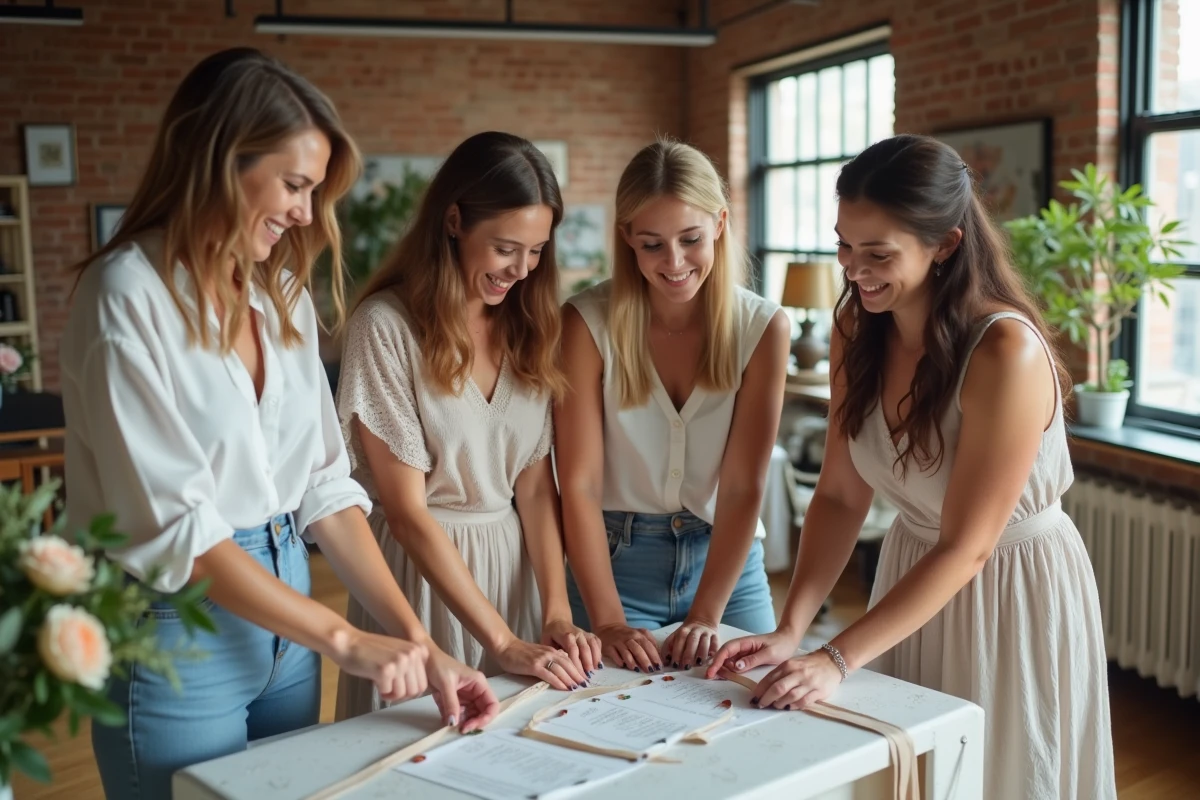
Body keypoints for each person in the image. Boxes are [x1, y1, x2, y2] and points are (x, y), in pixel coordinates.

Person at [61, 48, 497, 800]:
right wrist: (346, 638)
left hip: (288, 613)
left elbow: (325, 488)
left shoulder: (282, 296)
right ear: (223, 160)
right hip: (174, 626)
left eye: (312, 190)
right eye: (295, 184)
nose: (304, 212)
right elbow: (183, 531)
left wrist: (421, 648)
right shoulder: (123, 297)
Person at [708, 134, 1116, 800]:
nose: (854, 269)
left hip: (1007, 587)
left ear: (947, 244)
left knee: (1004, 772)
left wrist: (838, 656)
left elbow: (969, 546)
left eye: (878, 253)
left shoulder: (1003, 352)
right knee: (915, 775)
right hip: (910, 572)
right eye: (844, 245)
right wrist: (792, 628)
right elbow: (841, 494)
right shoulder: (855, 329)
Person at [334, 131, 601, 721]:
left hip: (515, 573)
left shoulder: (532, 326)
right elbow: (406, 515)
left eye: (536, 251)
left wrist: (555, 611)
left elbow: (534, 490)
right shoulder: (385, 327)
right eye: (506, 248)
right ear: (453, 221)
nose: (523, 270)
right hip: (423, 577)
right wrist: (499, 641)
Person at [555, 139, 790, 674]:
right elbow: (581, 484)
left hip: (729, 574)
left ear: (721, 224)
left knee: (755, 728)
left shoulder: (763, 328)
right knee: (606, 729)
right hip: (614, 571)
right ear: (627, 240)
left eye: (691, 239)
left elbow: (741, 487)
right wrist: (609, 622)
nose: (675, 262)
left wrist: (708, 613)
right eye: (652, 244)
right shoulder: (585, 324)